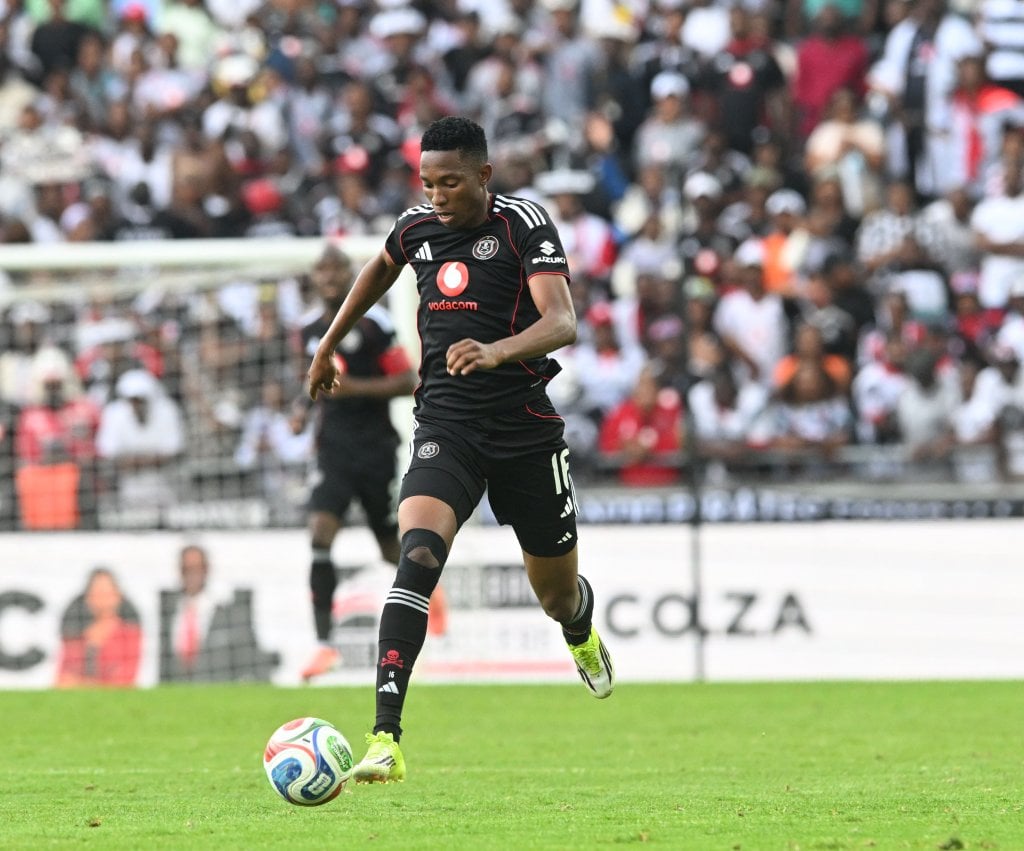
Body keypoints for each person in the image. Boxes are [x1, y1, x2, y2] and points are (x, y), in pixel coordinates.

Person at [307, 116, 615, 784]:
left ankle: (580, 629)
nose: (437, 195)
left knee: (556, 595)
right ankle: (385, 735)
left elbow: (561, 320)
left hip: (525, 429)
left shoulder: (522, 223)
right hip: (446, 423)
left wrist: (497, 350)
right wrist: (329, 342)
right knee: (415, 554)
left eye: (450, 182)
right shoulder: (417, 226)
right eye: (427, 182)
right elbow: (378, 267)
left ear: (483, 174)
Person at [296, 243, 419, 681]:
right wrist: (300, 407)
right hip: (332, 450)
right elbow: (312, 382)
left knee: (390, 544)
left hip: (376, 449)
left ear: (350, 274)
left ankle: (425, 589)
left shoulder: (375, 323)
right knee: (320, 532)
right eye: (321, 269)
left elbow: (409, 380)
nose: (328, 276)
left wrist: (354, 389)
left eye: (336, 268)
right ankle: (322, 645)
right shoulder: (308, 327)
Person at [158, 544, 280, 683]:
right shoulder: (169, 613)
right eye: (186, 569)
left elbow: (248, 660)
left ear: (206, 570)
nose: (192, 574)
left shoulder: (227, 614)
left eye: (197, 568)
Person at [55, 566, 141, 687]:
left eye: (107, 593)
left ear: (118, 596)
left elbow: (123, 683)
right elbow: (61, 681)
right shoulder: (75, 636)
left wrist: (81, 685)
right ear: (88, 598)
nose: (102, 599)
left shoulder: (129, 635)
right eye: (97, 592)